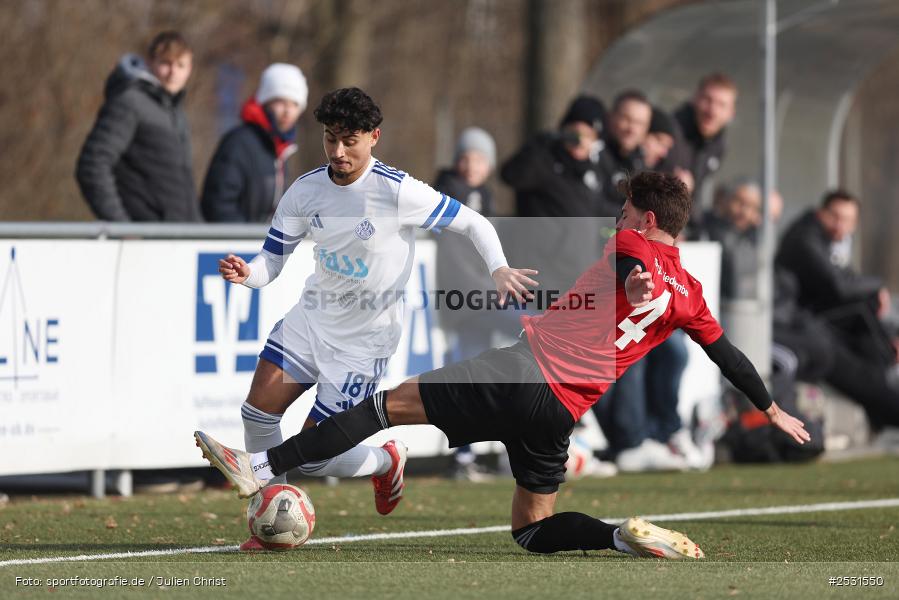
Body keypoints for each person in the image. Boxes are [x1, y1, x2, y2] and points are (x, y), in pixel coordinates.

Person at [196, 171, 810, 558]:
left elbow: (629, 264)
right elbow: (726, 354)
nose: (617, 220)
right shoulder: (693, 294)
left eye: (625, 212)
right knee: (531, 531)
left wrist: (636, 277)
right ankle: (617, 535)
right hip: (562, 411)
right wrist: (772, 407)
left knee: (382, 408)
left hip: (520, 372)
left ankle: (262, 463)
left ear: (647, 221)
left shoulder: (629, 243)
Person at [215, 87, 535, 550]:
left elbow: (474, 223)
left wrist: (499, 267)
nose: (338, 152)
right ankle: (270, 521)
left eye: (350, 141)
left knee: (315, 458)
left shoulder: (397, 190)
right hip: (312, 319)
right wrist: (249, 274)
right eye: (330, 139)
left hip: (364, 341)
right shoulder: (305, 189)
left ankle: (386, 459)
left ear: (374, 137)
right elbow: (271, 262)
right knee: (257, 413)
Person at [433, 127, 506, 481]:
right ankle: (465, 456)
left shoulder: (484, 196)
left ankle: (469, 455)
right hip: (467, 300)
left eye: (478, 158)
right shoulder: (448, 190)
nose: (470, 164)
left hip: (479, 298)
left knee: (478, 375)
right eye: (465, 157)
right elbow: (457, 256)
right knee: (467, 374)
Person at [76, 31, 199, 222]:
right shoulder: (129, 102)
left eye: (181, 65)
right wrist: (122, 226)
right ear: (150, 63)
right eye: (166, 63)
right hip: (142, 240)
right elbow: (92, 164)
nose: (173, 72)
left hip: (177, 239)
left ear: (189, 69)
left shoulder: (176, 113)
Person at [776, 190, 896, 366]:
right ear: (821, 213)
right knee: (862, 307)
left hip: (811, 310)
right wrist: (879, 284)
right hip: (795, 315)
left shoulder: (829, 238)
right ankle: (889, 359)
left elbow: (848, 278)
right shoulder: (806, 238)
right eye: (835, 217)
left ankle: (888, 352)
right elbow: (841, 286)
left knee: (870, 301)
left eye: (847, 220)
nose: (840, 225)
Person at [202, 63, 308, 222]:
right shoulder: (239, 143)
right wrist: (247, 241)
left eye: (294, 104)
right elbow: (218, 205)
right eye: (280, 102)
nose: (287, 111)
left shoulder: (281, 150)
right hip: (238, 244)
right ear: (265, 102)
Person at [672, 73, 738, 235]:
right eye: (707, 100)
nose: (712, 111)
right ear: (694, 99)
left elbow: (698, 188)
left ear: (731, 112)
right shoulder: (671, 132)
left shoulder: (719, 144)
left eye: (721, 105)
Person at [596, 90, 651, 213]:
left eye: (639, 123)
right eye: (626, 119)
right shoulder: (592, 154)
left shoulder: (641, 167)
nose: (632, 129)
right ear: (611, 117)